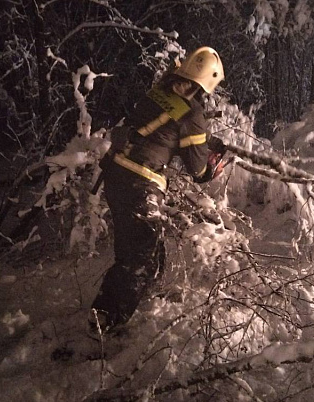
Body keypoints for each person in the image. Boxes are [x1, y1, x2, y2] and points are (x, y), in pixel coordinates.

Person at [90, 46, 227, 333]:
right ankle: (104, 326)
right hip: (139, 183)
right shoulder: (193, 113)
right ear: (207, 84)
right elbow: (199, 172)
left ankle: (120, 309)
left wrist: (206, 140)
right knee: (140, 259)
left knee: (145, 252)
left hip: (117, 174)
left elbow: (164, 129)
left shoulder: (162, 91)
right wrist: (215, 165)